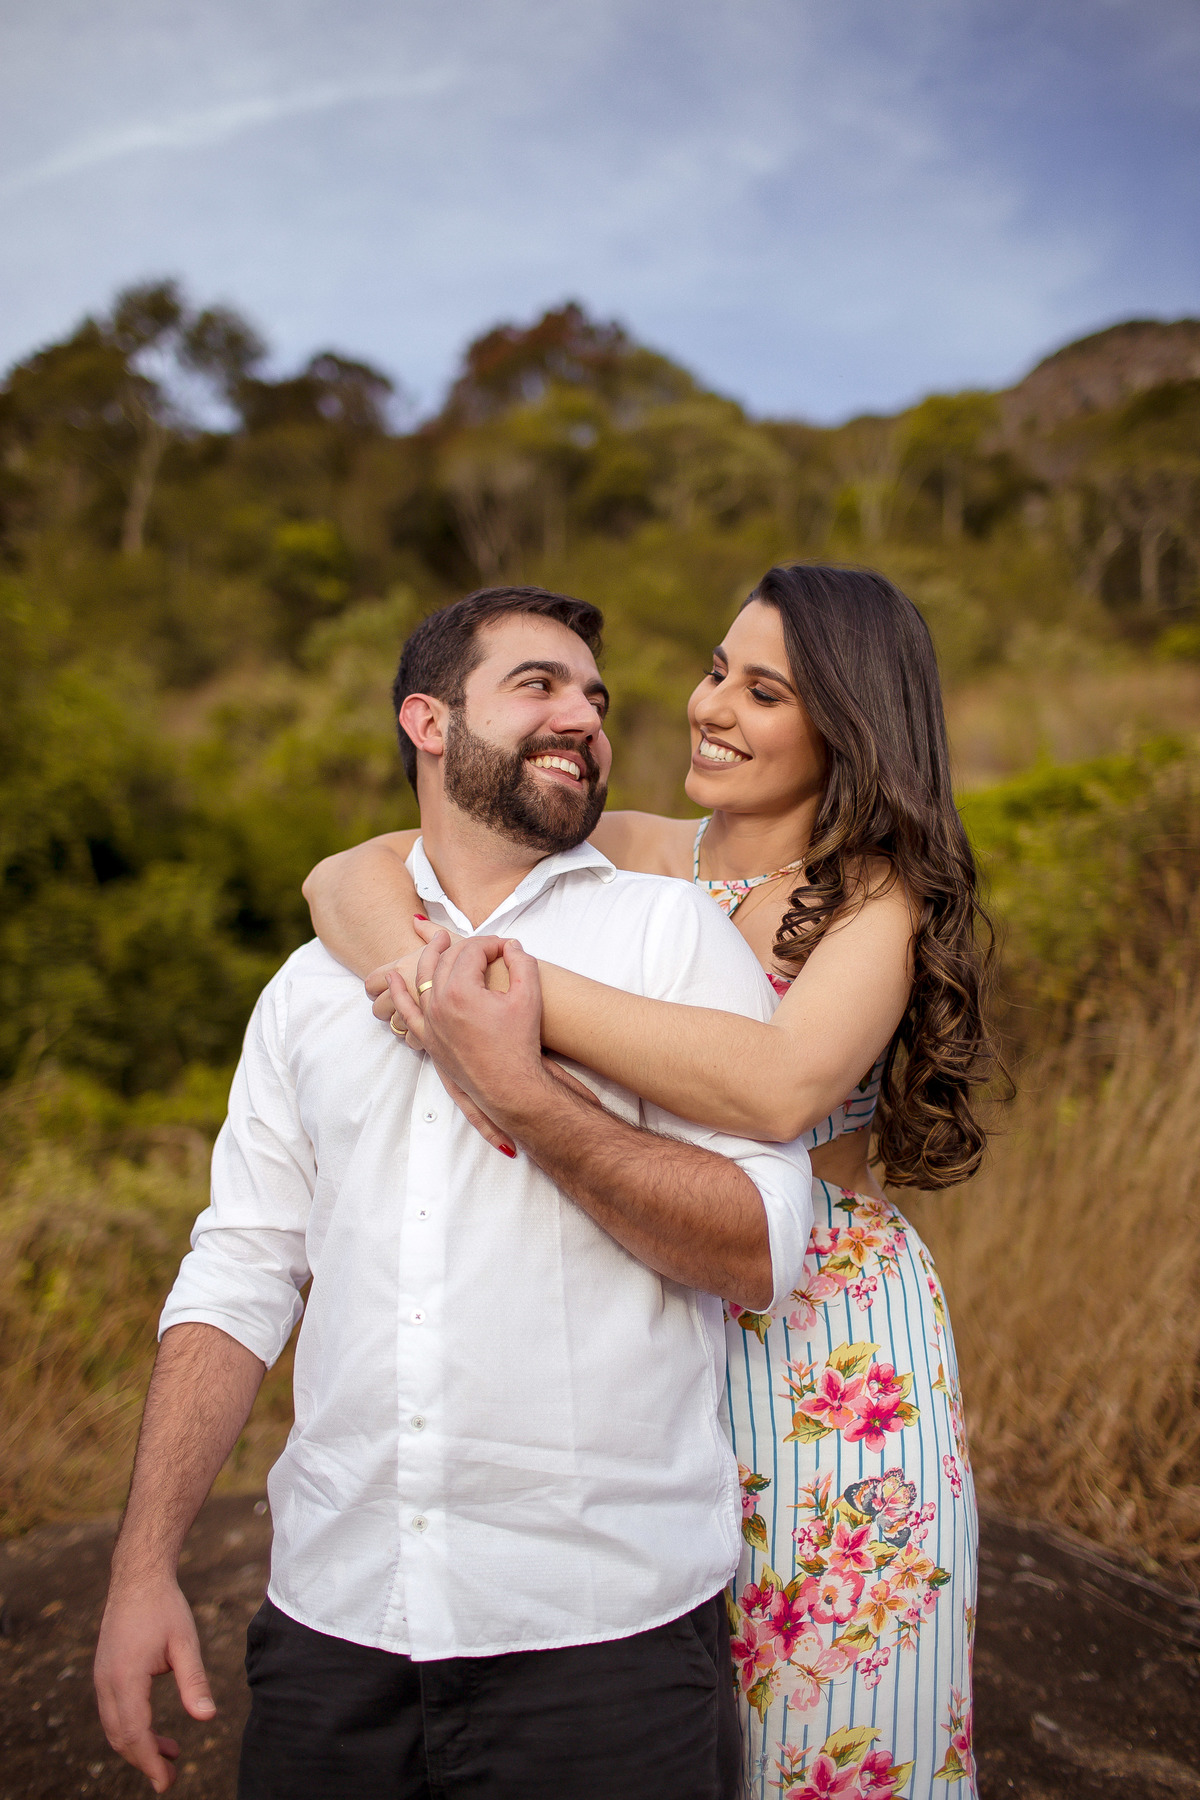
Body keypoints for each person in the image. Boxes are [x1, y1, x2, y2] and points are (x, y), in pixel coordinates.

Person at [93, 585, 815, 1800]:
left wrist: (526, 1094)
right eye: (539, 685)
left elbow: (757, 1249)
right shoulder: (312, 984)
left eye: (596, 698)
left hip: (607, 1641)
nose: (583, 717)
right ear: (427, 722)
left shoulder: (672, 937)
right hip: (334, 1631)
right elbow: (240, 1272)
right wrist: (140, 1567)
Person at [306, 562, 995, 1799]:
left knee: (829, 1712)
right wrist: (429, 994)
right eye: (716, 671)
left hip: (823, 1338)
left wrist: (497, 1005)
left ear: (850, 722)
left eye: (765, 692)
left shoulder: (874, 896)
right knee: (654, 1715)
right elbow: (346, 875)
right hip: (632, 1298)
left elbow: (778, 1086)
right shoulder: (628, 846)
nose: (710, 707)